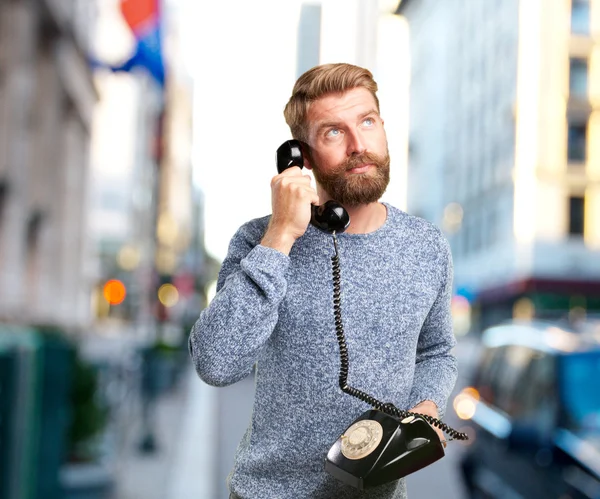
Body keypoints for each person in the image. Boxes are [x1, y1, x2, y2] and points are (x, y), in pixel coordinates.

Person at [189, 63, 458, 499]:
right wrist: (280, 237)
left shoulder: (427, 247)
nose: (358, 146)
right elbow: (216, 364)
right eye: (334, 132)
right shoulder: (259, 241)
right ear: (302, 156)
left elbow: (437, 351)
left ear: (383, 128)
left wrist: (426, 407)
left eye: (367, 123)